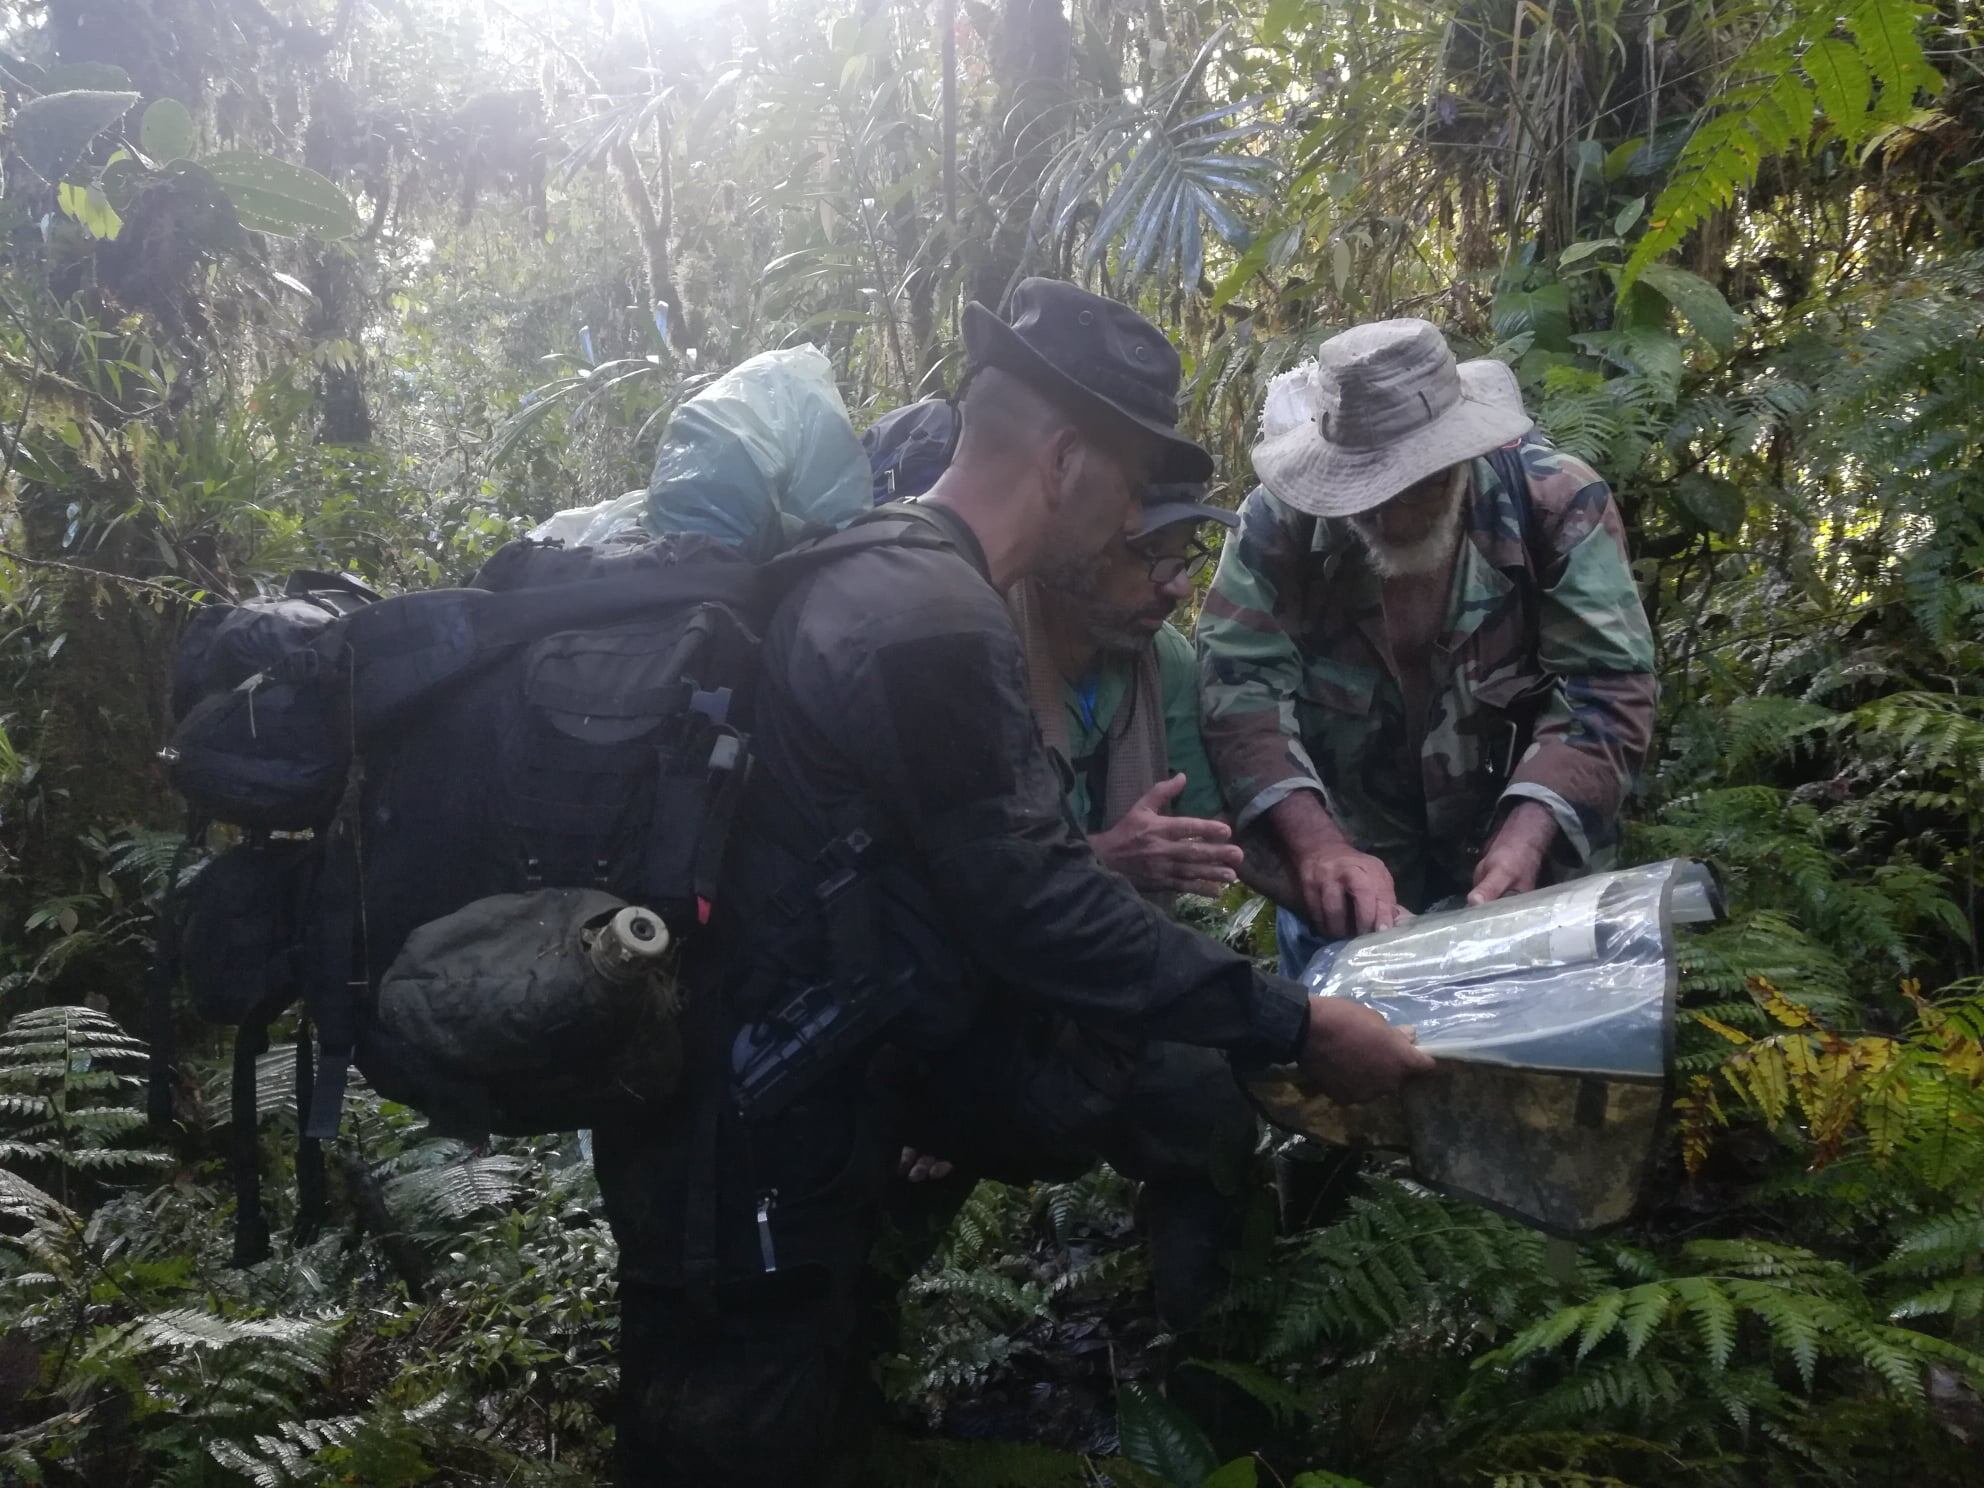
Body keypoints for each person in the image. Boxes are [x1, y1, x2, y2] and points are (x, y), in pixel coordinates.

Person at [592, 280, 1432, 1487]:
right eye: (1134, 481)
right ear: (1067, 459)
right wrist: (1296, 1023)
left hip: (770, 1106)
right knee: (728, 1431)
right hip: (750, 1132)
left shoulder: (882, 571)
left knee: (776, 1397)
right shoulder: (932, 619)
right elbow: (1036, 906)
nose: (1138, 518)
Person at [1197, 317, 1658, 980]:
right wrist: (1318, 846)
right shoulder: (1278, 530)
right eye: (1359, 493)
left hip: (1527, 906)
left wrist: (1529, 833)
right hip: (1349, 901)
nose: (1384, 518)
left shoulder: (1556, 506)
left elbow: (1608, 690)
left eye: (1411, 489)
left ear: (1457, 463)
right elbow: (1237, 690)